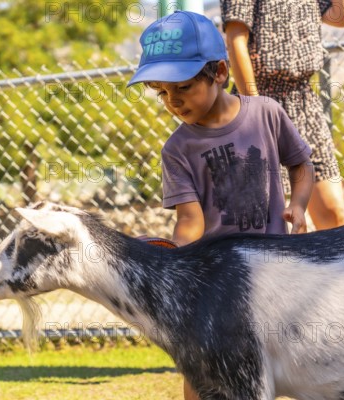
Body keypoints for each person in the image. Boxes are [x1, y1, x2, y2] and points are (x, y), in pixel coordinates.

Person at [127, 11, 314, 399]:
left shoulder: (266, 113)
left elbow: (300, 163)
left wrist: (298, 204)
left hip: (275, 268)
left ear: (220, 72)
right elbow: (190, 220)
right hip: (217, 277)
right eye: (161, 92)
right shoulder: (177, 149)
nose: (173, 101)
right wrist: (172, 259)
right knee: (203, 365)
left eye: (182, 86)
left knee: (274, 366)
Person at [222, 0, 344, 230]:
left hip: (303, 99)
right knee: (276, 219)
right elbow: (236, 41)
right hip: (261, 97)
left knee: (333, 213)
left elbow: (343, 16)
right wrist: (256, 107)